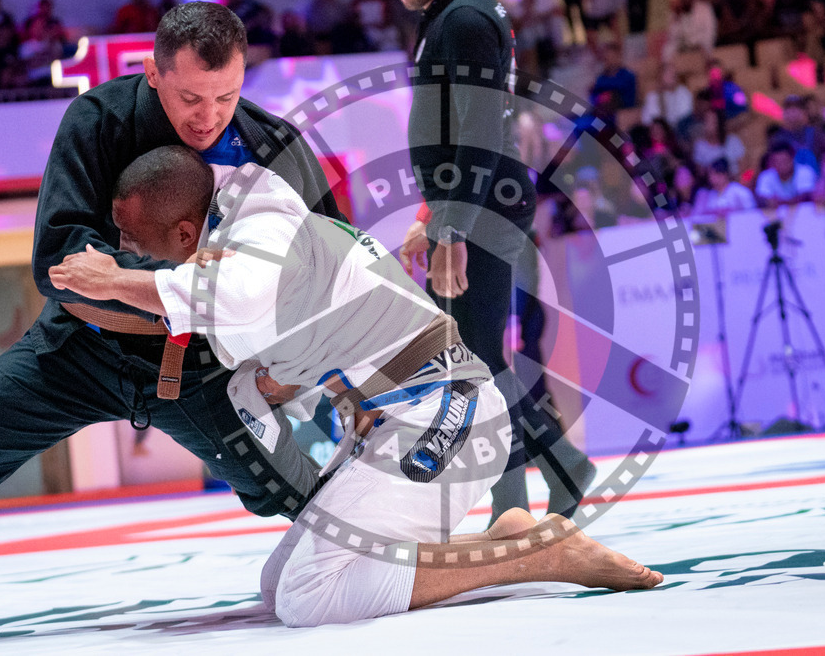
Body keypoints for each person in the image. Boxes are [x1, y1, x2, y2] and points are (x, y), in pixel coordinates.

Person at [49, 145, 664, 627]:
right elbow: (231, 313)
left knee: (311, 597)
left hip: (448, 415)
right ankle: (503, 537)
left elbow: (227, 295)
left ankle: (538, 555)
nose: (122, 252)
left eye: (129, 241)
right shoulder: (241, 223)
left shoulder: (255, 248)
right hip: (410, 417)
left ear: (185, 235)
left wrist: (108, 282)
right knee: (278, 587)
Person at [0, 2, 344, 539]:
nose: (209, 116)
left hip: (204, 369)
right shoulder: (99, 120)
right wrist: (204, 293)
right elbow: (57, 259)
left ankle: (431, 554)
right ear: (153, 73)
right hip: (75, 350)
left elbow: (335, 265)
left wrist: (296, 362)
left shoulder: (273, 148)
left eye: (227, 96)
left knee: (308, 502)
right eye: (190, 97)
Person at [387, 0, 597, 522]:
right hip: (475, 202)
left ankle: (523, 497)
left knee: (477, 361)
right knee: (477, 359)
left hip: (482, 208)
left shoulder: (464, 19)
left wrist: (452, 229)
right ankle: (546, 479)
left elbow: (478, 132)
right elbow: (454, 130)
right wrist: (432, 215)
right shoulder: (452, 13)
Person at [755, 141, 818, 209]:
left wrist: (778, 202)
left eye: (784, 161)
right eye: (776, 162)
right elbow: (762, 200)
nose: (781, 165)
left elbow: (805, 197)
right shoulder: (765, 176)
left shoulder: (805, 171)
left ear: (792, 158)